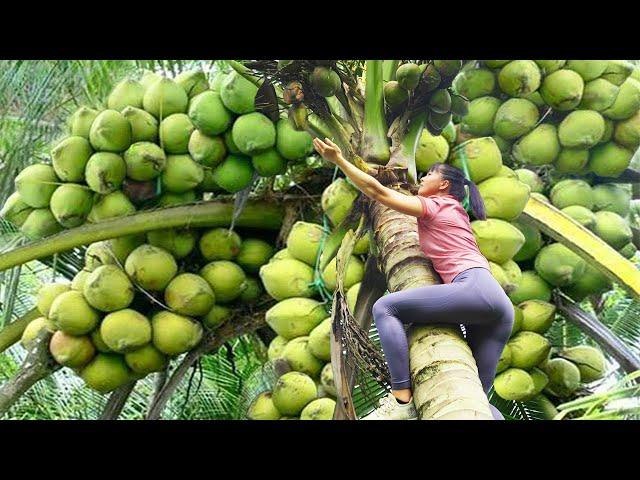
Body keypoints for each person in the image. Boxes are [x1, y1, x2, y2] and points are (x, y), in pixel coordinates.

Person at [313, 137, 514, 421]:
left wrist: (339, 160)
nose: (424, 177)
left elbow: (378, 193)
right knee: (472, 397)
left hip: (474, 290)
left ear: (444, 185)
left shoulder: (438, 205)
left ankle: (402, 396)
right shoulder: (455, 213)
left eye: (431, 173)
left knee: (385, 308)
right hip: (498, 307)